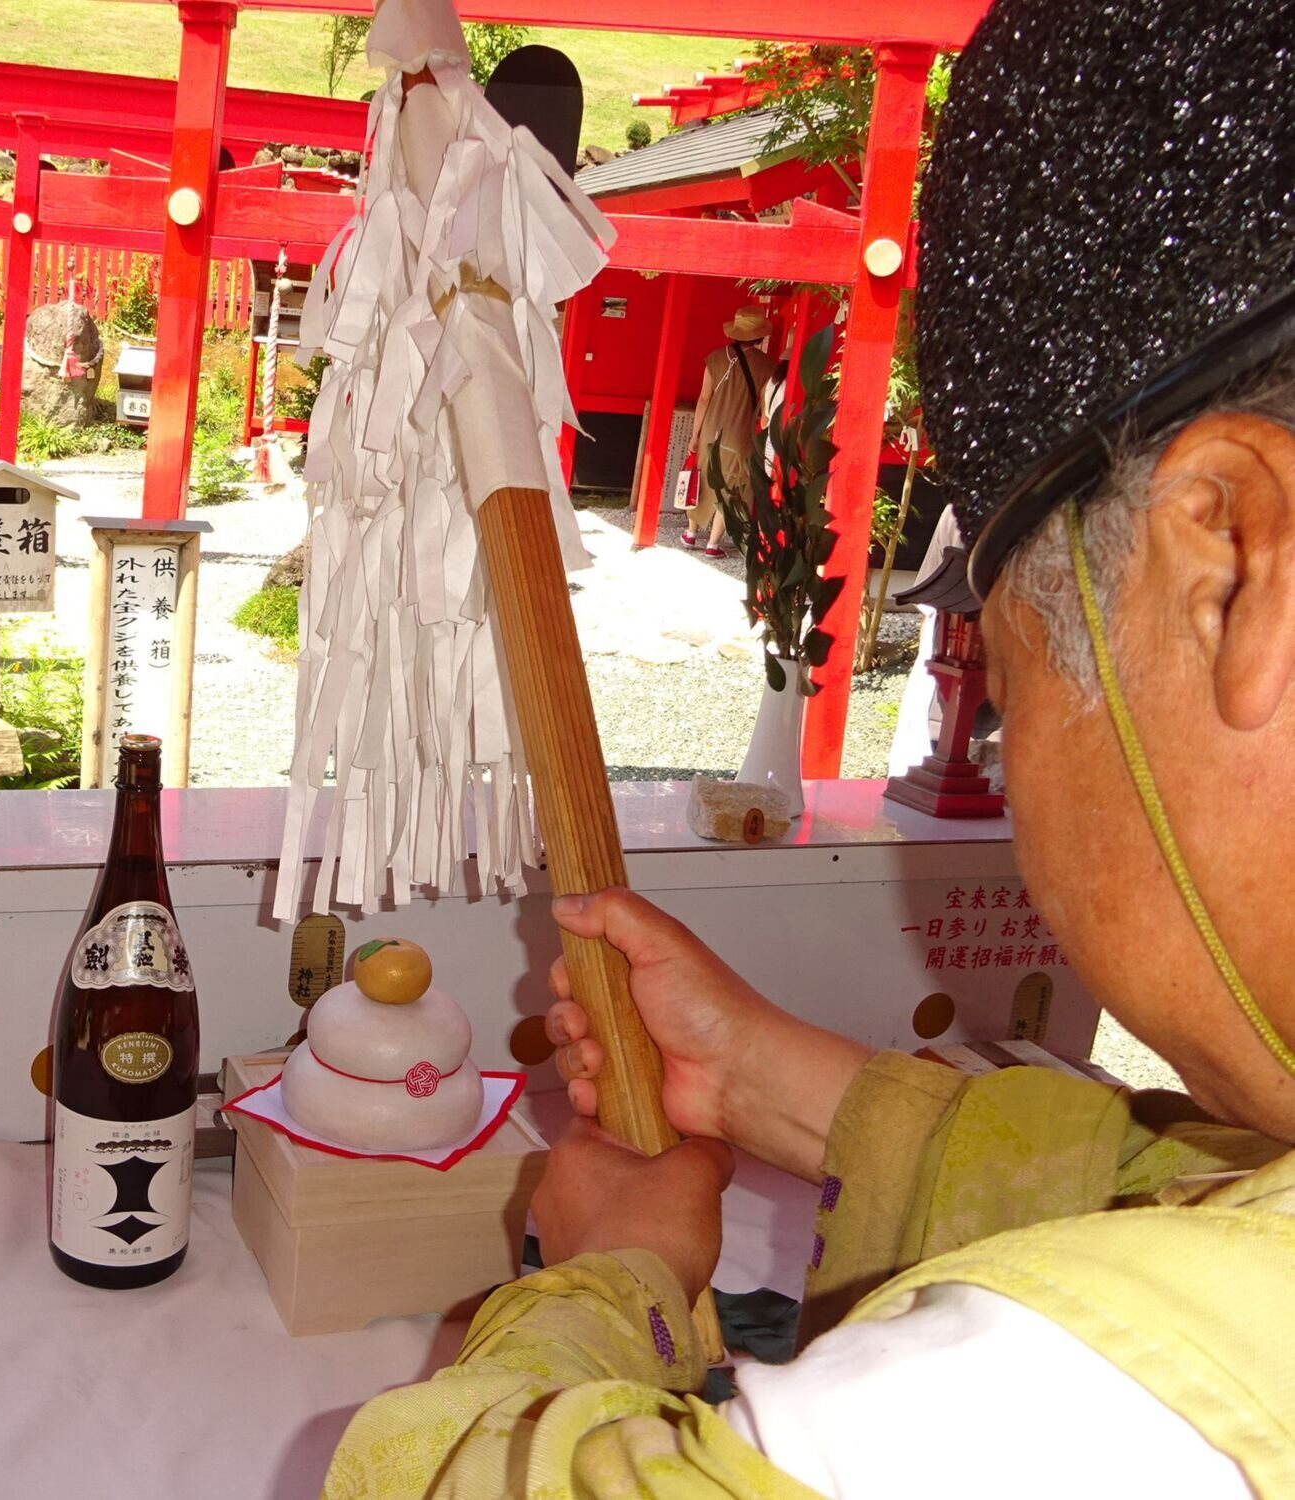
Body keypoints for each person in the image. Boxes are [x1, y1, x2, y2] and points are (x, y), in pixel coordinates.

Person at [321, 2, 1295, 1494]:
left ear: (1226, 569)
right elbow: (1191, 1191)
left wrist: (599, 1284)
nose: (1012, 748)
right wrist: (789, 1084)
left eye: (1014, 679)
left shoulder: (1079, 1405)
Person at [680, 306, 776, 558]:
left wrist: (695, 434)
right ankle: (713, 544)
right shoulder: (767, 366)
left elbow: (703, 399)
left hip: (711, 430)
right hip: (740, 435)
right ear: (760, 336)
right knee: (731, 485)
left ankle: (691, 533)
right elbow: (765, 410)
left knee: (702, 479)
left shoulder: (714, 358)